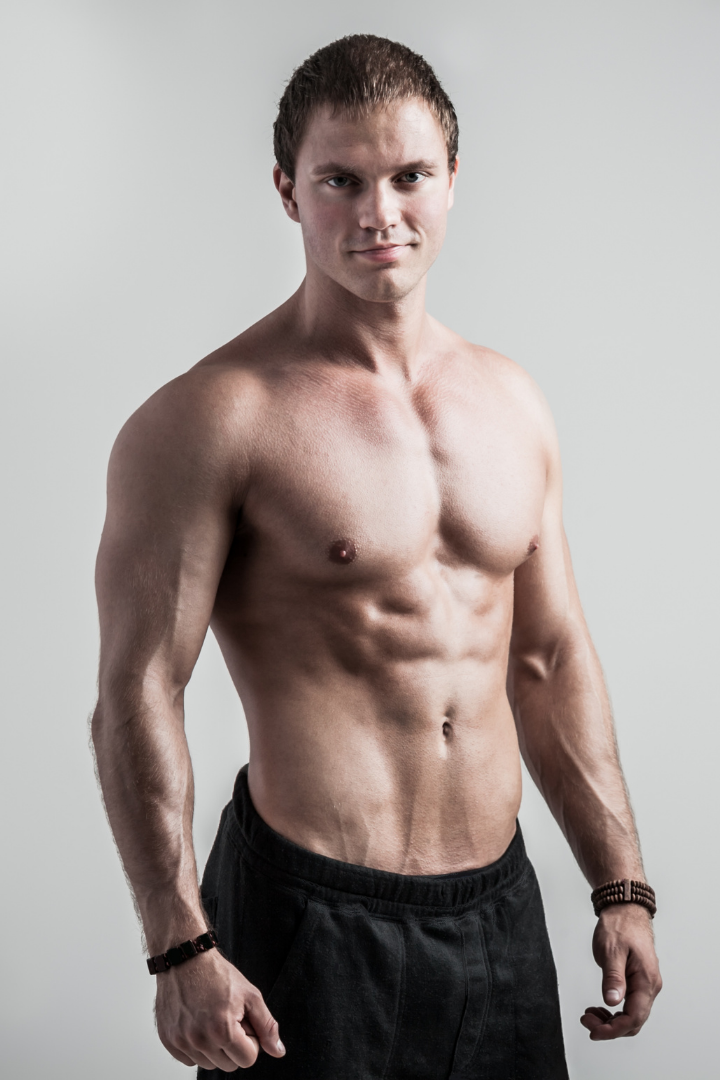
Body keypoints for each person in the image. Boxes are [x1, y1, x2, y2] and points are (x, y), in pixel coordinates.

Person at [91, 34, 661, 1079]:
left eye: (409, 177)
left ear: (453, 180)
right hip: (307, 917)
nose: (379, 214)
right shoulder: (211, 419)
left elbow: (550, 658)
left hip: (497, 909)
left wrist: (620, 885)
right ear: (286, 191)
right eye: (340, 180)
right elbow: (137, 691)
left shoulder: (512, 403)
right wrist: (179, 944)